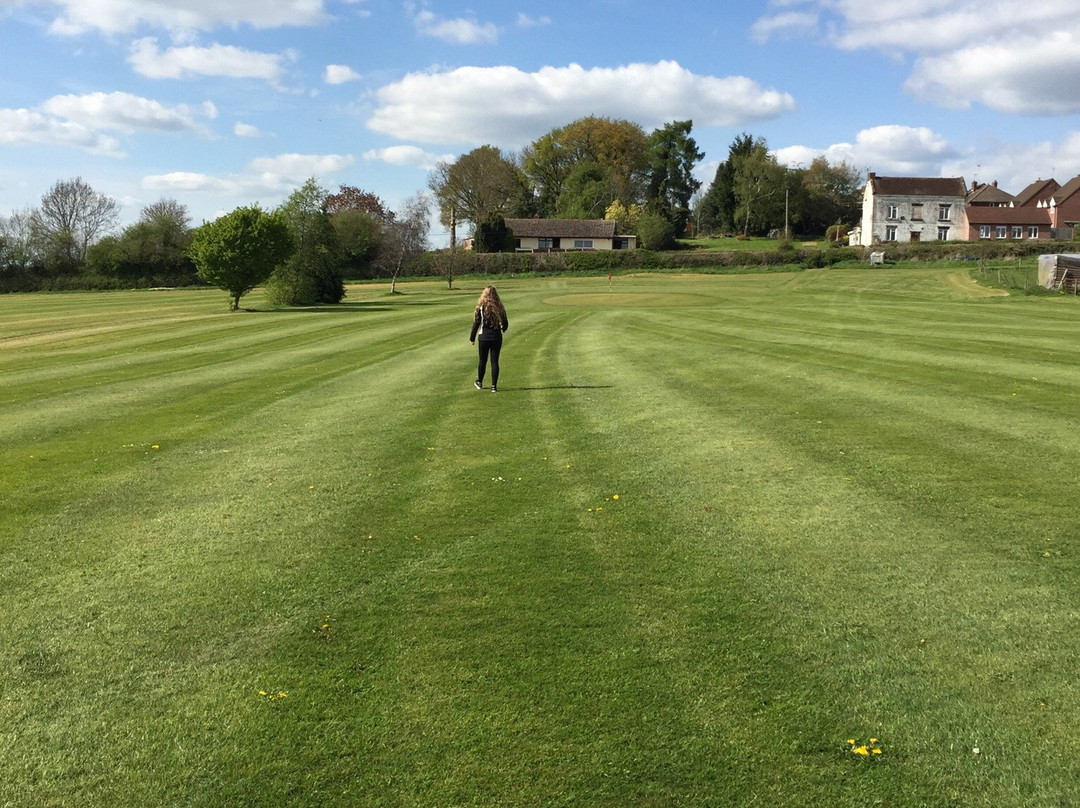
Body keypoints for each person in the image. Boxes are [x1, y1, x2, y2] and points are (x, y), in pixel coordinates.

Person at [469, 285, 509, 392]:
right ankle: (494, 386)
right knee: (494, 361)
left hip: (484, 337)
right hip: (496, 337)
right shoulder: (499, 307)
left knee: (482, 360)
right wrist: (503, 329)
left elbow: (476, 323)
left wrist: (472, 338)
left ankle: (480, 381)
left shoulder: (481, 307)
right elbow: (505, 323)